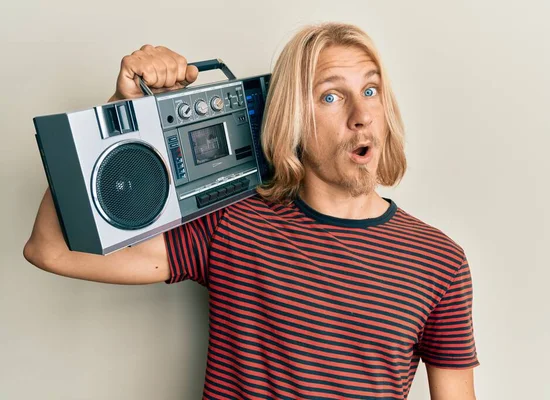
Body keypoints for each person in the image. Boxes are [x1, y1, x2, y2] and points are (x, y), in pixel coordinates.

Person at [24, 22, 479, 400]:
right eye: (331, 96)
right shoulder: (232, 224)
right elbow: (51, 249)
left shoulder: (440, 261)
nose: (362, 114)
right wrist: (121, 110)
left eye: (371, 89)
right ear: (293, 117)